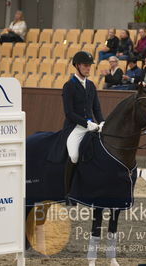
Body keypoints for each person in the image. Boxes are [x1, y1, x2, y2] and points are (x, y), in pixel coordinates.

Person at [62, 51, 105, 195]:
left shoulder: (91, 85)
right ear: (78, 66)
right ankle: (67, 192)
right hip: (75, 127)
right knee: (74, 155)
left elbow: (96, 108)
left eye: (89, 66)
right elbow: (69, 113)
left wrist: (102, 122)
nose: (88, 68)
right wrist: (86, 123)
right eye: (86, 66)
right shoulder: (69, 86)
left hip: (91, 126)